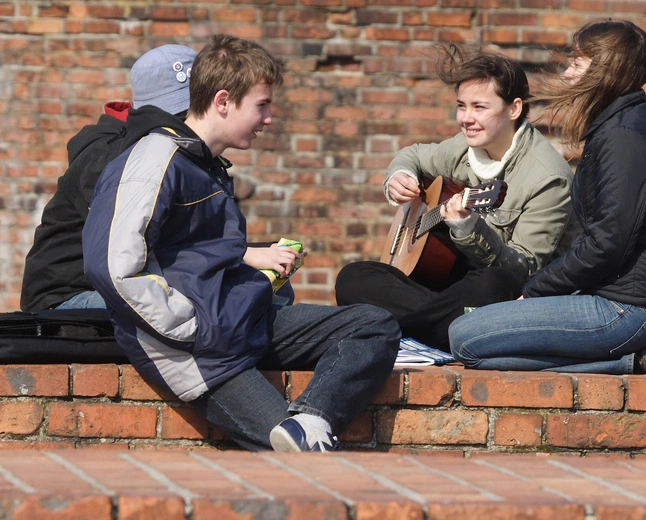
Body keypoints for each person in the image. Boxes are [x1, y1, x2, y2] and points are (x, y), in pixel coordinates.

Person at [82, 34, 400, 452]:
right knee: (294, 450)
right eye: (262, 105)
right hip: (200, 354)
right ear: (223, 101)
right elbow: (112, 265)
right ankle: (303, 438)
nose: (269, 118)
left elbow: (201, 253)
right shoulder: (154, 160)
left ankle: (315, 417)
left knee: (374, 324)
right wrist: (193, 328)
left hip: (243, 320)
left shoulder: (206, 163)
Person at [448, 20, 646, 375]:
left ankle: (629, 358)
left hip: (630, 308)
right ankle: (627, 357)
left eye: (578, 62)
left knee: (465, 338)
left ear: (605, 71)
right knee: (473, 341)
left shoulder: (623, 137)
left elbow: (608, 243)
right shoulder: (615, 125)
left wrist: (537, 289)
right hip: (613, 298)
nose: (567, 71)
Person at [335, 46, 577, 352]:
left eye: (479, 107)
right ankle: (444, 333)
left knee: (494, 282)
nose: (466, 118)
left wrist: (468, 230)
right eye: (461, 106)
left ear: (514, 109)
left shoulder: (548, 178)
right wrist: (399, 176)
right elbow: (413, 155)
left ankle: (397, 331)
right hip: (452, 295)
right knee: (354, 277)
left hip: (505, 296)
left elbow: (526, 270)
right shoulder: (464, 147)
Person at [20, 44, 198, 312]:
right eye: (186, 112)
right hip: (66, 296)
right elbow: (131, 241)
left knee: (253, 294)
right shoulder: (110, 155)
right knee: (210, 306)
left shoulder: (160, 146)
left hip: (115, 286)